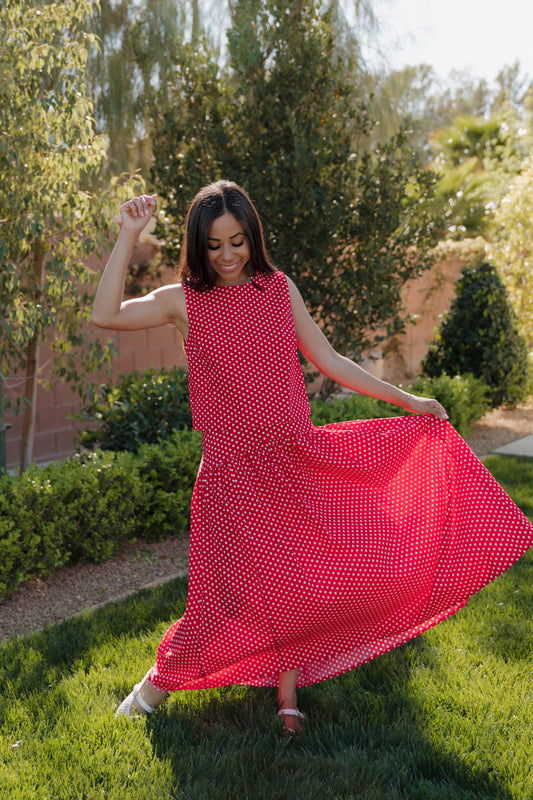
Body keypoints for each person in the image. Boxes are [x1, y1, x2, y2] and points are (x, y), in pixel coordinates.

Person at [92, 181, 533, 735]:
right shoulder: (184, 301)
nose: (228, 256)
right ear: (197, 247)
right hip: (234, 476)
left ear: (252, 236)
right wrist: (128, 235)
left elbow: (328, 359)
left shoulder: (278, 289)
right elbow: (104, 314)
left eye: (237, 241)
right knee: (224, 596)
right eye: (214, 246)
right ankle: (153, 688)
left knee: (304, 577)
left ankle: (288, 692)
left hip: (297, 460)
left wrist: (407, 399)